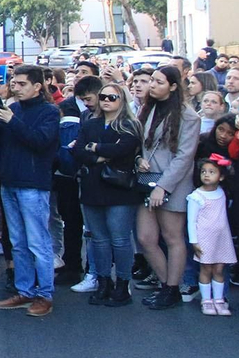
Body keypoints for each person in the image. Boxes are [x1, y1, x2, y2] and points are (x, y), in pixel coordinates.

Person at [0, 65, 62, 317]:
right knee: (18, 242)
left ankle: (45, 294)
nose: (15, 88)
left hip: (33, 184)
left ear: (37, 87)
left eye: (21, 84)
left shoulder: (50, 112)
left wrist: (11, 121)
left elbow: (40, 142)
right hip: (10, 182)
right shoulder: (14, 109)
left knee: (38, 242)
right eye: (14, 83)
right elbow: (3, 142)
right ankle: (25, 290)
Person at [135, 65, 202, 310]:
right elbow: (140, 144)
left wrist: (163, 187)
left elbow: (185, 157)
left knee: (172, 237)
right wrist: (137, 160)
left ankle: (172, 287)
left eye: (159, 82)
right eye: (152, 80)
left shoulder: (189, 115)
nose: (152, 85)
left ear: (173, 86)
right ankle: (166, 284)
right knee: (145, 237)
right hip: (147, 180)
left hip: (172, 184)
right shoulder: (148, 108)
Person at [73, 83, 142, 307]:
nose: (106, 100)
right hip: (92, 187)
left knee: (120, 239)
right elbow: (76, 150)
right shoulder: (89, 123)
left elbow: (124, 150)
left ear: (122, 99)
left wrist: (95, 148)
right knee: (98, 239)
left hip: (120, 188)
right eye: (103, 96)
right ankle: (103, 282)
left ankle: (123, 284)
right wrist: (98, 155)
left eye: (112, 97)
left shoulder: (130, 125)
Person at [56, 74, 100, 289]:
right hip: (72, 176)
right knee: (72, 223)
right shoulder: (71, 110)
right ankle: (72, 265)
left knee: (95, 229)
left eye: (89, 98)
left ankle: (98, 272)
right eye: (83, 99)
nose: (87, 104)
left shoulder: (108, 115)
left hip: (97, 179)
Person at [189, 155, 235, 315]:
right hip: (205, 238)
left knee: (219, 269)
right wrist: (194, 241)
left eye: (211, 172)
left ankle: (219, 300)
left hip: (221, 238)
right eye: (203, 171)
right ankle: (206, 300)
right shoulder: (196, 196)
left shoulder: (221, 193)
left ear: (221, 176)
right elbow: (191, 221)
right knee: (206, 268)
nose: (206, 175)